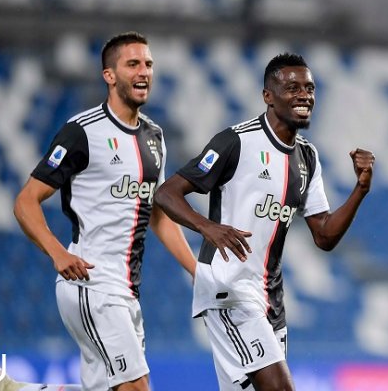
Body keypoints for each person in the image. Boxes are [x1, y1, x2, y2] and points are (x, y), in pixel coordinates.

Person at [154, 53, 374, 390]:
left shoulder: (308, 158)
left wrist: (360, 189)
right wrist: (208, 227)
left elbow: (325, 235)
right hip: (229, 289)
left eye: (310, 88)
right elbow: (167, 193)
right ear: (268, 96)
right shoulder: (236, 142)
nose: (304, 95)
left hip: (271, 299)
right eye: (292, 88)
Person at [0, 32, 197, 391]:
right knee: (136, 387)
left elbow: (158, 215)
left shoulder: (155, 137)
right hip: (91, 282)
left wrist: (197, 269)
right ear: (109, 75)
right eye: (132, 64)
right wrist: (57, 252)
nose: (144, 72)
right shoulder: (82, 132)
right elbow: (25, 200)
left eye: (148, 64)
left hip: (127, 291)